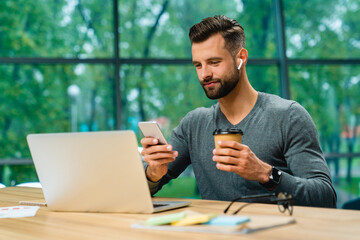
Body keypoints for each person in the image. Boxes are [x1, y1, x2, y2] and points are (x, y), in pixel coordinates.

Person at [141, 15, 337, 208]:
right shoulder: (194, 124)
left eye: (214, 62)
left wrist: (266, 174)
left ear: (241, 58)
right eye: (198, 65)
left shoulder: (288, 116)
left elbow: (325, 197)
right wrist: (153, 173)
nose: (204, 74)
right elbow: (137, 190)